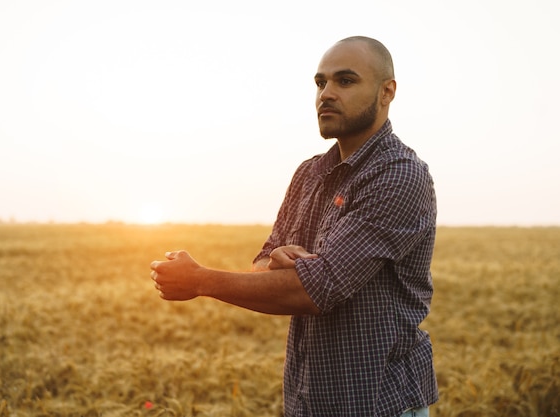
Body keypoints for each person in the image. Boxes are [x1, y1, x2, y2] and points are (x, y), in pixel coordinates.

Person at [150, 36, 438, 417]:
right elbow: (263, 262)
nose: (327, 94)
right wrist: (277, 264)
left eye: (345, 81)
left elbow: (316, 289)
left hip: (377, 403)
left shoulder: (399, 176)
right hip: (309, 399)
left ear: (387, 92)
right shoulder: (309, 174)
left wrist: (202, 280)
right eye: (321, 83)